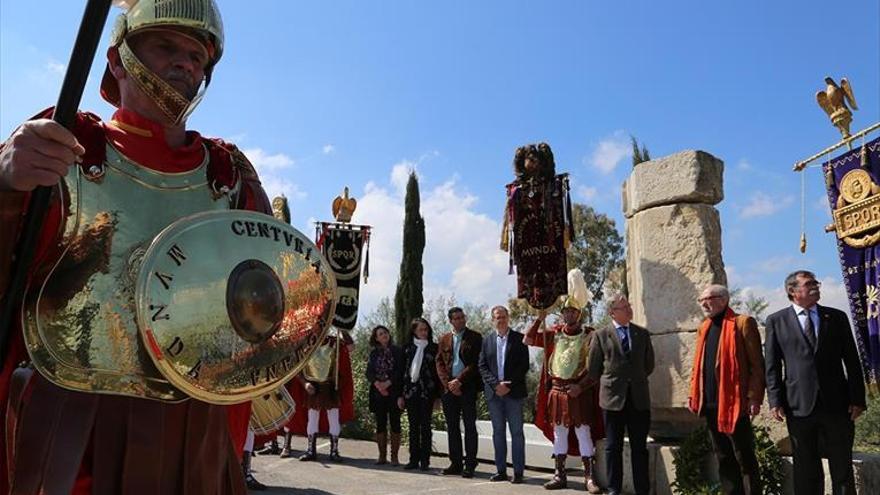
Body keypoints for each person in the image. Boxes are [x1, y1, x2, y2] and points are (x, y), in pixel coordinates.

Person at [0, 1, 267, 492]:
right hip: (67, 413)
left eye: (197, 55)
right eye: (167, 45)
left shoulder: (229, 177)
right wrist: (4, 187)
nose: (186, 62)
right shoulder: (66, 144)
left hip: (191, 422)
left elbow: (263, 311)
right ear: (119, 59)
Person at [765, 270, 866, 495]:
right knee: (805, 466)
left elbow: (851, 360)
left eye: (816, 282)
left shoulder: (836, 317)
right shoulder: (776, 321)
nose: (816, 286)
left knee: (841, 465)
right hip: (798, 406)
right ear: (793, 291)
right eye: (809, 283)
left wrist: (857, 399)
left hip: (838, 405)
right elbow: (772, 366)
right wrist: (775, 401)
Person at [687, 284, 765, 495]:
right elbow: (699, 366)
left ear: (723, 299)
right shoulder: (704, 327)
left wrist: (754, 397)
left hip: (736, 404)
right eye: (701, 300)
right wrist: (693, 394)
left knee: (745, 458)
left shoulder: (742, 323)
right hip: (711, 403)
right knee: (723, 456)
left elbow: (757, 366)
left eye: (708, 298)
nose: (704, 303)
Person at [525, 289, 604, 492]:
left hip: (580, 392)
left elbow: (596, 368)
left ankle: (589, 478)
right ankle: (559, 475)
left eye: (572, 312)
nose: (569, 315)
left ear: (579, 314)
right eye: (566, 312)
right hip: (557, 392)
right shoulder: (555, 335)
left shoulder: (590, 335)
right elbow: (528, 339)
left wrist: (581, 386)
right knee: (559, 433)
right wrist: (538, 319)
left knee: (583, 432)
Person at [588, 292, 654, 495]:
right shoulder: (600, 335)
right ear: (612, 312)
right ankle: (614, 489)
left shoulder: (642, 334)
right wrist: (613, 382)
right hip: (612, 401)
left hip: (638, 399)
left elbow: (649, 365)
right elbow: (593, 369)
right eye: (624, 307)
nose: (629, 310)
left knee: (639, 449)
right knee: (612, 448)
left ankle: (642, 489)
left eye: (629, 306)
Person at [478, 305, 530, 484]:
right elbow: (482, 366)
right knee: (498, 432)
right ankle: (501, 470)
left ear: (508, 318)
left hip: (513, 393)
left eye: (503, 317)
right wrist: (495, 385)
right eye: (497, 317)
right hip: (494, 395)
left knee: (517, 432)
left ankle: (518, 471)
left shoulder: (520, 339)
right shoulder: (487, 341)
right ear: (493, 320)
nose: (500, 320)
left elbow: (524, 365)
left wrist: (508, 385)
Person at [286, 329, 355, 462]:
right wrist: (305, 384)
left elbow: (351, 347)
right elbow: (298, 368)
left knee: (333, 418)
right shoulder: (305, 345)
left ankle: (334, 451)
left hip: (330, 387)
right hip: (313, 387)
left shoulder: (334, 342)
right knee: (312, 418)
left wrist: (343, 328)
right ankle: (311, 450)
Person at [435, 306, 483, 477]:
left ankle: (470, 464)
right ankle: (455, 463)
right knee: (452, 427)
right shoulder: (444, 339)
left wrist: (459, 381)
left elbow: (476, 363)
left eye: (462, 317)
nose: (460, 320)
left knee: (470, 426)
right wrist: (448, 383)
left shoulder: (475, 337)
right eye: (456, 318)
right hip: (448, 390)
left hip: (467, 387)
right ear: (450, 321)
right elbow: (439, 362)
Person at [400, 317, 441, 471]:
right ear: (414, 331)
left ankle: (425, 460)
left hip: (427, 393)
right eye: (420, 329)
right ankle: (413, 459)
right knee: (413, 427)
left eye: (426, 329)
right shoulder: (407, 349)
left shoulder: (434, 348)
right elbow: (402, 372)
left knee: (425, 426)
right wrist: (401, 395)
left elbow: (438, 374)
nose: (424, 332)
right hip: (411, 392)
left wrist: (437, 396)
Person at [366, 325, 404, 465]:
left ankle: (394, 457)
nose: (384, 335)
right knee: (380, 423)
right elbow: (369, 373)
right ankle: (382, 456)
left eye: (385, 332)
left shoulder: (397, 351)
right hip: (378, 393)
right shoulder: (374, 353)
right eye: (381, 334)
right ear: (376, 338)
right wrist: (378, 385)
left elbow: (400, 371)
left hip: (393, 392)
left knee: (395, 423)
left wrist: (387, 383)